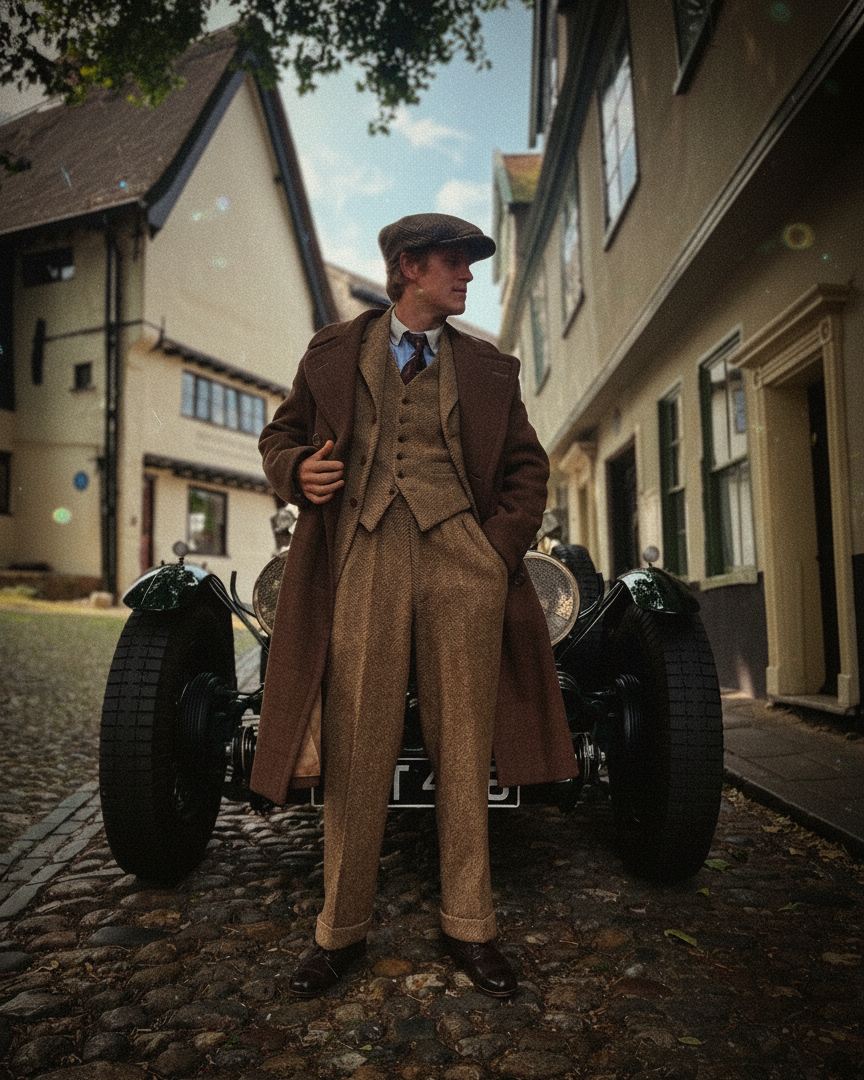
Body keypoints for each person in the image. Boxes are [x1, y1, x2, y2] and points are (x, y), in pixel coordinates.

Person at [250, 213, 577, 998]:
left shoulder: (491, 367)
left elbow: (529, 469)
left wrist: (494, 549)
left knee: (463, 746)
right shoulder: (333, 350)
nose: (468, 276)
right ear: (408, 269)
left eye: (469, 263)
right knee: (356, 745)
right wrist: (297, 472)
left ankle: (472, 927)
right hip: (360, 555)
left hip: (462, 560)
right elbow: (279, 438)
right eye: (453, 263)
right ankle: (339, 932)